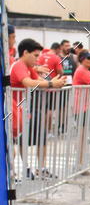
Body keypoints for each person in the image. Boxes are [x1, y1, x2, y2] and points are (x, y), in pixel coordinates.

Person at [10, 38, 66, 177]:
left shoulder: (28, 67)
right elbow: (28, 82)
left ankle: (16, 174)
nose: (37, 59)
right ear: (25, 53)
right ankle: (11, 176)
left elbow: (41, 81)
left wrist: (54, 82)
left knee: (14, 147)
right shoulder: (19, 66)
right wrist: (51, 84)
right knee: (11, 149)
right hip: (11, 111)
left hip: (20, 111)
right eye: (35, 56)